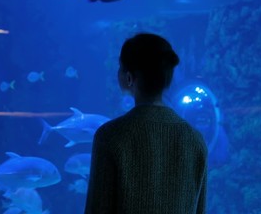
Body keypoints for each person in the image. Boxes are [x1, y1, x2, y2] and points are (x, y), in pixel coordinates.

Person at [85, 33, 208, 213]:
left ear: (128, 78)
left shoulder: (110, 136)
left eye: (120, 67)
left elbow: (97, 208)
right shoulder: (195, 139)